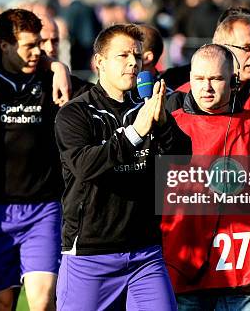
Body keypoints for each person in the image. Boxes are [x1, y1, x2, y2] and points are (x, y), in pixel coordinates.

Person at [54, 24, 191, 310]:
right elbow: (84, 166)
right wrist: (134, 134)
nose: (133, 63)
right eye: (123, 56)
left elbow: (181, 160)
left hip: (145, 254)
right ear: (99, 61)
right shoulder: (75, 113)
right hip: (90, 255)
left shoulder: (149, 106)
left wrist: (164, 125)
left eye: (137, 56)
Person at [162, 44, 250, 310]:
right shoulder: (168, 126)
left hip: (247, 271)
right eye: (199, 79)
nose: (207, 87)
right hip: (185, 269)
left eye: (215, 79)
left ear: (233, 81)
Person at [0, 9, 65, 311]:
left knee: (43, 301)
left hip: (42, 208)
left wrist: (58, 66)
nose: (38, 52)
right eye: (29, 46)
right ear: (4, 46)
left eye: (40, 44)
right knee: (0, 303)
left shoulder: (51, 79)